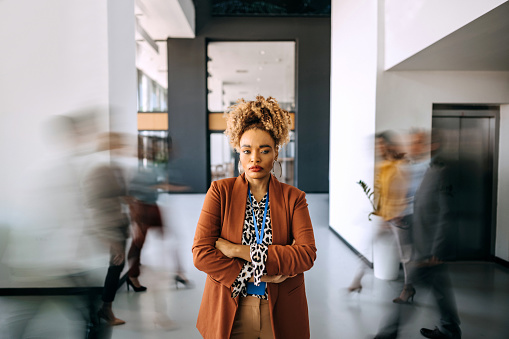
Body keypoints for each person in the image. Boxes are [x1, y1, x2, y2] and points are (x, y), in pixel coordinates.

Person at [192, 96, 317, 339]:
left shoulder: (295, 199)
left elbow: (306, 255)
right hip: (231, 308)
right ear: (239, 153)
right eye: (247, 150)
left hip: (280, 311)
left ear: (276, 152)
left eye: (264, 150)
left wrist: (236, 250)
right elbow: (201, 254)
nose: (255, 159)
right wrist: (261, 273)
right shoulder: (220, 192)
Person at [374, 130, 461, 339]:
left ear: (430, 146)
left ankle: (388, 334)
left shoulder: (439, 171)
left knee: (411, 290)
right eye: (412, 142)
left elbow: (445, 212)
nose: (412, 146)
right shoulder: (416, 168)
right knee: (441, 291)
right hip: (419, 240)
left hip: (429, 246)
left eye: (418, 143)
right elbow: (415, 201)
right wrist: (398, 215)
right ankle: (450, 330)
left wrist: (436, 250)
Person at [84, 132, 130, 326]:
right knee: (115, 265)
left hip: (118, 223)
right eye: (117, 143)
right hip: (108, 226)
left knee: (117, 266)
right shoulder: (98, 169)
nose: (121, 146)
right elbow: (94, 203)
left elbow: (119, 195)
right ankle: (104, 309)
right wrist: (110, 238)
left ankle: (104, 308)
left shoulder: (114, 167)